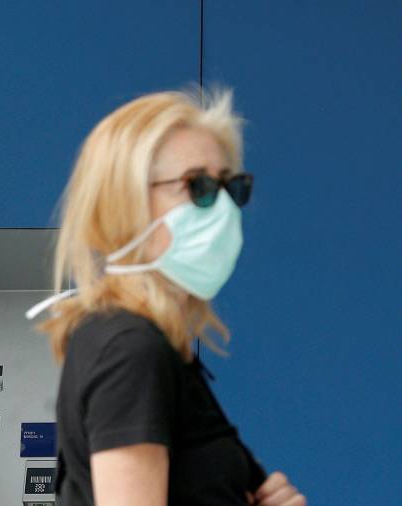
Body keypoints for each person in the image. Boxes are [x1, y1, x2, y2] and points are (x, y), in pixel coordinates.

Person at [27, 90, 306, 505]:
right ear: (124, 203)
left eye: (231, 186)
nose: (223, 209)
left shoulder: (155, 347)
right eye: (199, 186)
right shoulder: (130, 350)